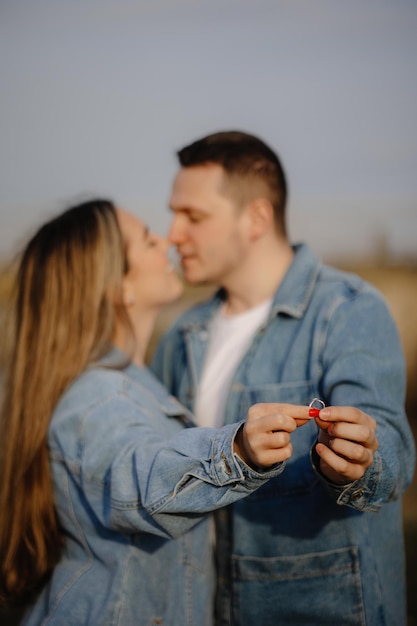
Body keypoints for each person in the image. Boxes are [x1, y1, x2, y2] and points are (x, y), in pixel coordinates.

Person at [0, 198, 314, 625]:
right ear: (117, 287)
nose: (167, 239)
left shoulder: (128, 380)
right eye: (149, 241)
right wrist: (236, 452)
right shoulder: (100, 395)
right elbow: (136, 476)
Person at [152, 130, 416, 626]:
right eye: (173, 213)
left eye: (193, 216)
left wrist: (361, 460)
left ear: (256, 218)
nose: (172, 233)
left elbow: (393, 453)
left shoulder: (349, 309)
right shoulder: (181, 335)